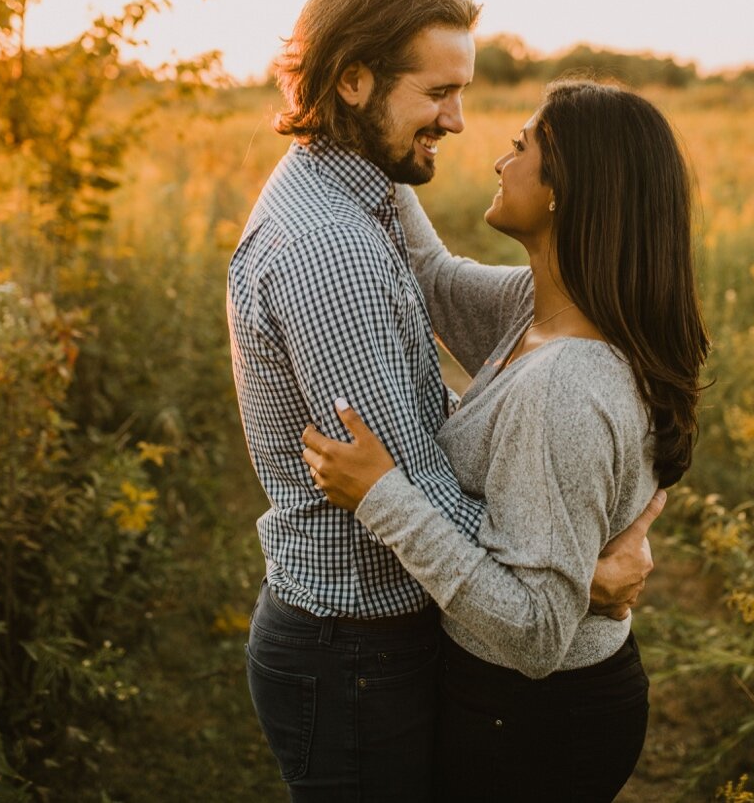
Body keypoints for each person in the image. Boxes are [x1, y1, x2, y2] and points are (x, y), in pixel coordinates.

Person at [226, 0, 664, 801]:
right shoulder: (334, 250)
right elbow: (412, 485)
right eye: (437, 93)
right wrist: (575, 576)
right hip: (353, 644)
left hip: (382, 635)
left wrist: (587, 543)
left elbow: (435, 267)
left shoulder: (363, 191)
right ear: (354, 80)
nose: (460, 123)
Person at [302, 79, 710, 802]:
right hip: (529, 707)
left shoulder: (563, 385)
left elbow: (535, 632)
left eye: (521, 147)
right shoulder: (542, 308)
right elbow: (429, 273)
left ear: (566, 190)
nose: (499, 159)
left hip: (532, 723)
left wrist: (382, 498)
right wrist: (365, 129)